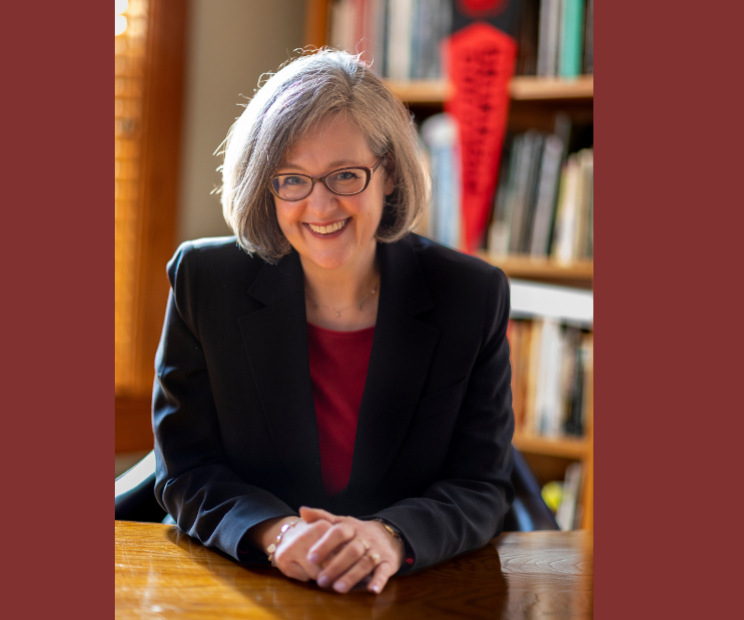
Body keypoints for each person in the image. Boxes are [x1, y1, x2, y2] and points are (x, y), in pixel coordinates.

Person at [152, 50, 514, 595]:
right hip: (241, 587)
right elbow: (186, 469)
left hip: (406, 595)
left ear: (389, 173)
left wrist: (389, 537)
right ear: (264, 184)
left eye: (346, 175)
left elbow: (479, 484)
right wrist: (279, 535)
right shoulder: (207, 280)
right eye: (292, 179)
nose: (320, 206)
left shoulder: (471, 294)